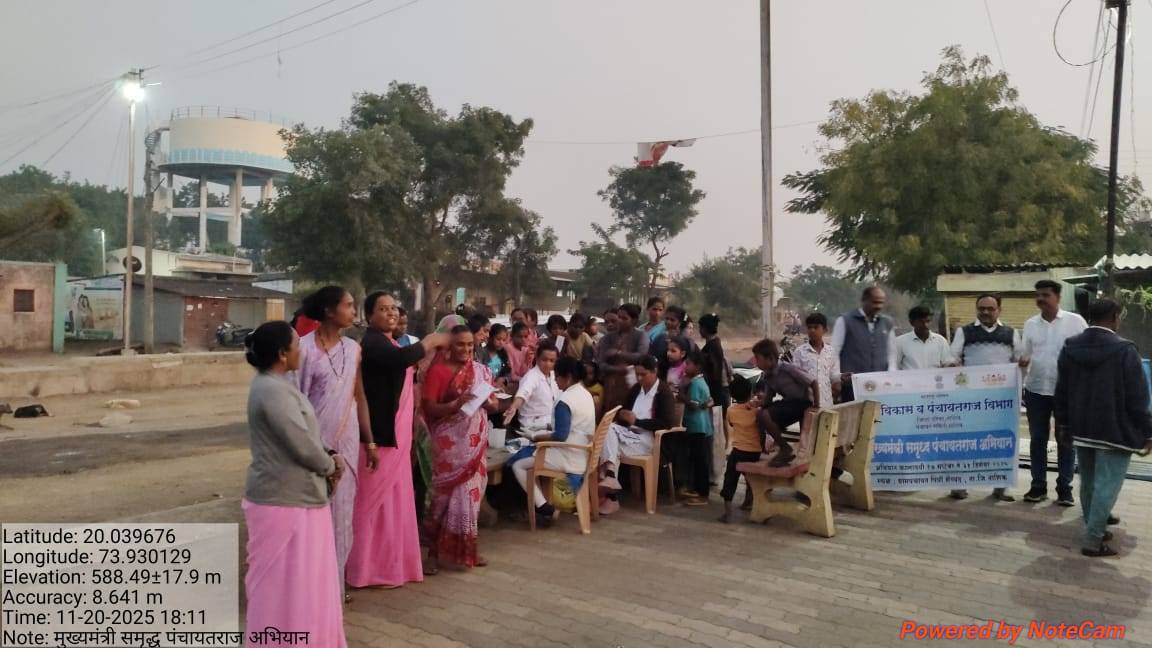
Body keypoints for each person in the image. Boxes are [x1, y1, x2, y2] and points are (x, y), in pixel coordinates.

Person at [241, 321, 347, 647]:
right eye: (297, 346)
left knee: (304, 582)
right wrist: (329, 465)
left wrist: (328, 454)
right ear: (282, 354)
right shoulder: (271, 390)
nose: (303, 351)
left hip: (298, 498)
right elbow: (299, 442)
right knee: (282, 585)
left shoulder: (278, 385)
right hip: (283, 500)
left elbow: (306, 435)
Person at [347, 292, 450, 587]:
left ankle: (389, 565)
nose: (391, 313)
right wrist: (430, 341)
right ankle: (363, 568)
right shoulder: (373, 343)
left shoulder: (390, 342)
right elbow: (400, 360)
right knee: (371, 504)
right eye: (383, 309)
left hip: (397, 437)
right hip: (379, 437)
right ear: (369, 316)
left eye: (393, 308)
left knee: (392, 504)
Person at [294, 286, 376, 598]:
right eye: (349, 305)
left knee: (342, 519)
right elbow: (296, 403)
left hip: (348, 442)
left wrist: (369, 442)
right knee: (312, 518)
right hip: (313, 446)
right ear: (329, 311)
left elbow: (360, 396)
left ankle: (333, 590)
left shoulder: (353, 349)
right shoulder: (302, 349)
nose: (354, 311)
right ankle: (307, 590)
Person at [1055, 299, 1152, 557]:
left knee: (1088, 481)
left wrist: (1063, 423)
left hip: (1081, 427)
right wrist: (1148, 431)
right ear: (1115, 317)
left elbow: (1062, 389)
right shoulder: (1125, 350)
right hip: (1114, 430)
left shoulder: (1071, 346)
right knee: (1107, 486)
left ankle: (1094, 526)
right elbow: (1138, 397)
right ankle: (1093, 539)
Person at [421, 325, 499, 570]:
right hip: (448, 447)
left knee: (470, 499)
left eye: (470, 345)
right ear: (449, 345)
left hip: (473, 446)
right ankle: (432, 554)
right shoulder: (438, 372)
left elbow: (495, 405)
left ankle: (468, 550)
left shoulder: (481, 371)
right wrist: (455, 404)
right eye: (460, 344)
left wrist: (488, 404)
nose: (466, 349)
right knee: (440, 501)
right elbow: (429, 408)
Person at [1019, 280, 1088, 506]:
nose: (1040, 299)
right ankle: (1038, 486)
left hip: (1066, 392)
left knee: (1065, 440)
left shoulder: (1076, 322)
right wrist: (1021, 364)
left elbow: (1087, 352)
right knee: (1038, 439)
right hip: (1036, 390)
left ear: (1057, 297)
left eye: (1045, 295)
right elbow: (1025, 356)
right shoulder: (1030, 324)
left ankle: (1065, 489)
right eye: (1038, 295)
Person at [510, 356, 598, 527]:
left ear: (568, 377)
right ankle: (542, 506)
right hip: (584, 452)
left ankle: (545, 509)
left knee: (518, 465)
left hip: (569, 455)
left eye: (557, 376)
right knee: (533, 454)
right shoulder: (585, 393)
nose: (555, 381)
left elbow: (560, 436)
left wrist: (534, 437)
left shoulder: (564, 400)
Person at [949, 294, 1019, 502]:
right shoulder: (964, 332)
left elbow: (1019, 360)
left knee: (1000, 441)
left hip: (1000, 400)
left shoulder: (1011, 333)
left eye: (990, 308)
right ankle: (959, 485)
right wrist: (952, 364)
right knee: (965, 441)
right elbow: (952, 356)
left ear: (999, 310)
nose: (985, 312)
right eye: (981, 308)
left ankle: (1001, 486)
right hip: (970, 398)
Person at [598, 356, 677, 498]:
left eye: (643, 374)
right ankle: (610, 479)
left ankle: (609, 494)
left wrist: (637, 421)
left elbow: (667, 422)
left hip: (651, 440)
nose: (639, 378)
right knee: (608, 432)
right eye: (637, 374)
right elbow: (625, 412)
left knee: (609, 447)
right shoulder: (636, 389)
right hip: (630, 436)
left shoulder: (664, 392)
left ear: (654, 372)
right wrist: (623, 416)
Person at [751, 338, 820, 467]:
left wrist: (816, 405)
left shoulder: (787, 369)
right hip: (789, 405)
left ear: (770, 359)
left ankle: (785, 448)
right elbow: (768, 400)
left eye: (758, 358)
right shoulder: (768, 376)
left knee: (763, 415)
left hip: (802, 403)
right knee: (760, 415)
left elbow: (813, 382)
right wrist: (756, 404)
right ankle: (762, 449)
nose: (756, 362)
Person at [833, 287, 897, 402]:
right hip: (852, 386)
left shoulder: (887, 323)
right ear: (864, 300)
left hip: (880, 386)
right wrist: (837, 376)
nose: (878, 306)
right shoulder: (845, 320)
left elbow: (891, 353)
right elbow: (834, 351)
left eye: (881, 303)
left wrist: (891, 372)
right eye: (875, 302)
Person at [719, 376, 760, 524]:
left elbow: (730, 423)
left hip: (738, 451)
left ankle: (728, 513)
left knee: (730, 479)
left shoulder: (731, 410)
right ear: (751, 392)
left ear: (732, 395)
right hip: (755, 452)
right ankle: (749, 502)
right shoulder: (756, 410)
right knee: (751, 479)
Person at [596, 303, 651, 413]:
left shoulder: (641, 336)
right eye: (619, 317)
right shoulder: (607, 338)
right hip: (611, 385)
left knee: (631, 412)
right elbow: (601, 364)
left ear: (634, 321)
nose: (620, 321)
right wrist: (618, 369)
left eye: (624, 318)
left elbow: (641, 356)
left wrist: (618, 353)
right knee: (611, 414)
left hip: (634, 383)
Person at [698, 313, 731, 480]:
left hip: (715, 395)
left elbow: (715, 374)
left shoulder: (712, 347)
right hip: (717, 394)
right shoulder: (713, 345)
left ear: (704, 328)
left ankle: (714, 472)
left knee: (714, 435)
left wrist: (711, 397)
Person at [680, 350, 714, 505]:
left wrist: (681, 396)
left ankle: (702, 494)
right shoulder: (701, 382)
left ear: (698, 366)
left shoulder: (695, 384)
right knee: (698, 459)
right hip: (702, 426)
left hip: (697, 426)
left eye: (688, 364)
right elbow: (709, 401)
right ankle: (697, 489)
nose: (685, 367)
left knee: (700, 462)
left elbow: (693, 405)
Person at [503, 343, 560, 432]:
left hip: (550, 419)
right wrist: (513, 407)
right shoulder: (531, 377)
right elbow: (522, 394)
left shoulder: (554, 375)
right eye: (544, 360)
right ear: (537, 358)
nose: (548, 364)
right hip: (533, 424)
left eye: (552, 361)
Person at [792, 313, 841, 409]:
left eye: (816, 327)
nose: (812, 330)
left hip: (827, 404)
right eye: (809, 327)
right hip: (806, 406)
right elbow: (796, 379)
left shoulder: (831, 352)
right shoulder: (799, 352)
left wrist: (841, 379)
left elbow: (835, 376)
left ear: (825, 330)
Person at [895, 305, 954, 370]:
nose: (925, 325)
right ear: (911, 323)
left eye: (928, 321)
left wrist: (951, 365)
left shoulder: (940, 340)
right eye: (920, 322)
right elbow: (894, 366)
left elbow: (947, 363)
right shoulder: (900, 342)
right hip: (910, 377)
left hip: (935, 376)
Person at [481, 323, 512, 387]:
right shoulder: (481, 353)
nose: (501, 343)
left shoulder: (503, 354)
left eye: (504, 340)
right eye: (498, 339)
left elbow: (508, 372)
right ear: (490, 337)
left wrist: (503, 379)